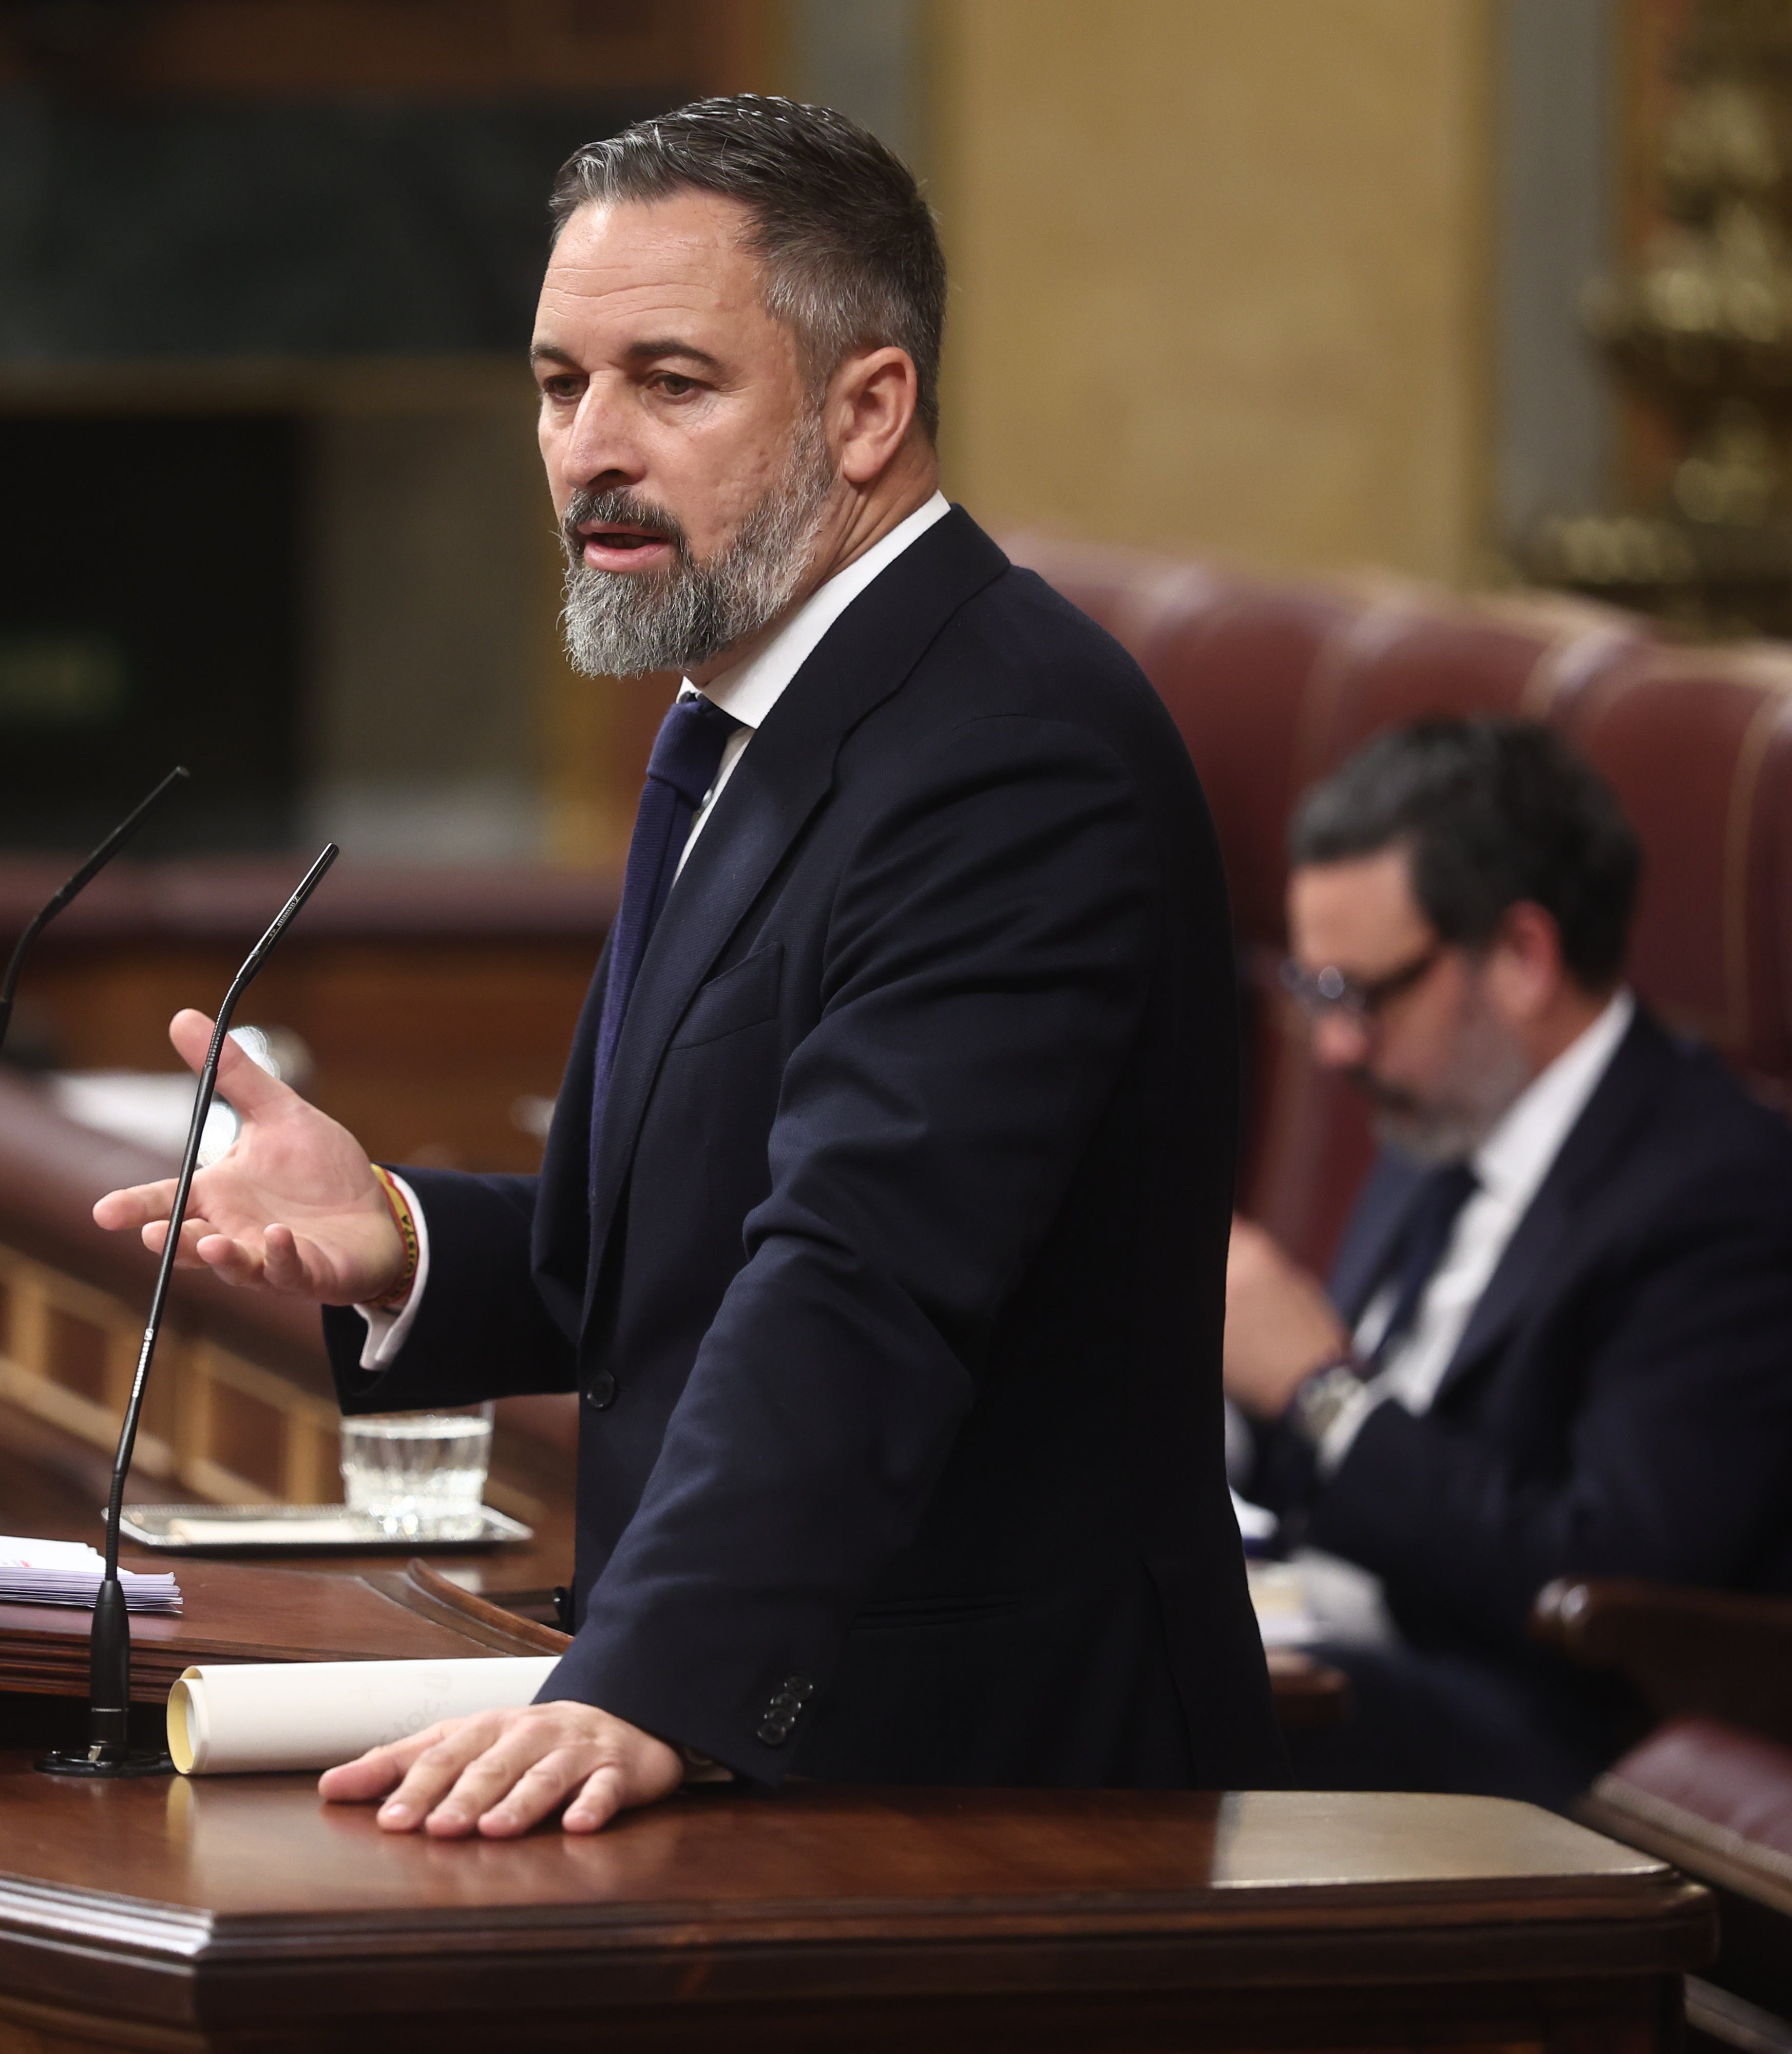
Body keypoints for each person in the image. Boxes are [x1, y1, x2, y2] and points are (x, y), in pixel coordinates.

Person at [96, 95, 1281, 1836]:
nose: (589, 450)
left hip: (993, 1786)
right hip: (822, 1755)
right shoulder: (747, 714)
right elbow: (674, 1259)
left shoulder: (1011, 756)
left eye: (671, 382)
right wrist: (404, 1239)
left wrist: (650, 1680)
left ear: (869, 409)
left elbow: (865, 1279)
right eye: (560, 386)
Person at [1224, 717, 1792, 1807]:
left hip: (1547, 1740)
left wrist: (1321, 1395)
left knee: (1161, 1693)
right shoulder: (1443, 1119)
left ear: (1524, 958)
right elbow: (1338, 1468)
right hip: (1357, 1639)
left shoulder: (1728, 1208)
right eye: (1314, 997)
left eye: (1359, 997)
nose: (1334, 1049)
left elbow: (1599, 1580)